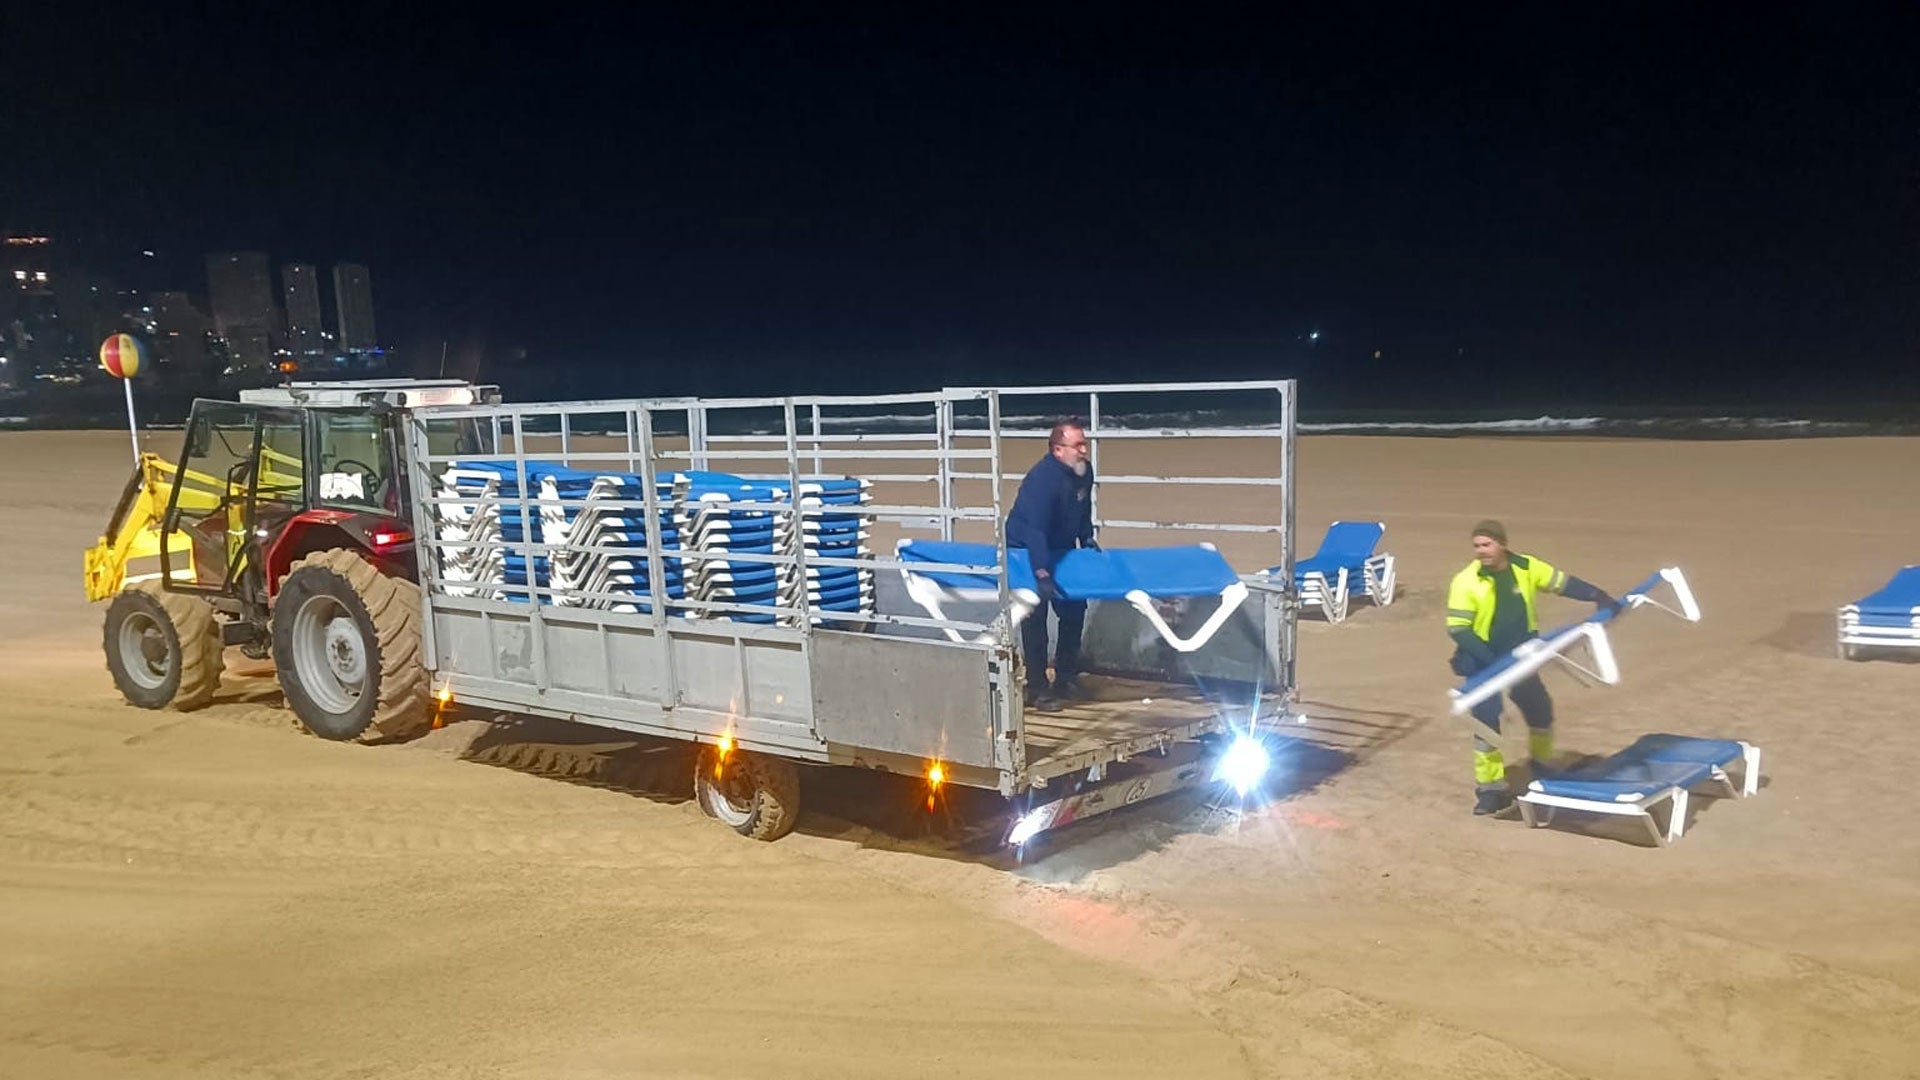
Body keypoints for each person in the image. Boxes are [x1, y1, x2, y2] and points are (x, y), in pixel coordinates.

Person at [1446, 520, 1615, 815]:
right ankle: (1490, 790)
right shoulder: (1466, 581)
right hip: (1483, 664)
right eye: (1477, 546)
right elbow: (1459, 629)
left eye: (1487, 544)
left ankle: (1541, 765)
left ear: (1502, 544)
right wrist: (1492, 662)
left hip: (1522, 657)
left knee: (1540, 711)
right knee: (1487, 725)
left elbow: (1561, 583)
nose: (1481, 551)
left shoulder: (1526, 567)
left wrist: (1597, 595)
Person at [1005, 418, 1096, 712]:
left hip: (1062, 546)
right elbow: (1036, 529)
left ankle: (1065, 678)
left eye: (1084, 444)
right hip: (1025, 548)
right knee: (1035, 617)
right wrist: (1041, 571)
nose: (1083, 450)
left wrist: (1087, 537)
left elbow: (1083, 508)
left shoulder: (1084, 471)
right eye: (1077, 445)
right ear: (1058, 450)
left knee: (1074, 609)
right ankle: (1037, 687)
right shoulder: (1042, 480)